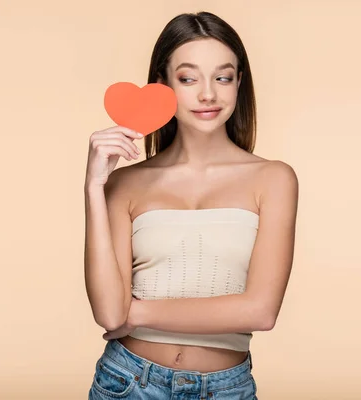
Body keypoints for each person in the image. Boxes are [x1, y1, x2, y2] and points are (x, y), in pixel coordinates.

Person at [84, 10, 298, 400]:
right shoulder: (125, 183)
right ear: (162, 84)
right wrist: (95, 186)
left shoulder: (274, 179)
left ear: (238, 84)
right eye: (188, 78)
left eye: (222, 77)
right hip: (128, 383)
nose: (208, 94)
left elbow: (260, 311)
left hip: (226, 389)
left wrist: (137, 312)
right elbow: (108, 313)